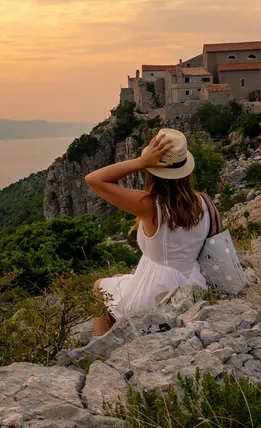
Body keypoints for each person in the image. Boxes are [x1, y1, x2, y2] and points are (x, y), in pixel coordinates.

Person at [84, 128, 212, 336]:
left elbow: (94, 180)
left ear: (154, 169)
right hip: (191, 283)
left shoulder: (152, 206)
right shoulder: (203, 201)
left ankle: (99, 348)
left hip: (157, 291)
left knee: (99, 286)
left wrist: (141, 162)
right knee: (119, 278)